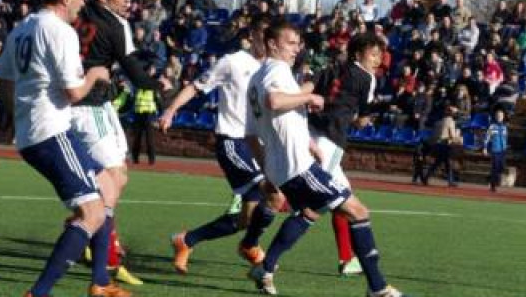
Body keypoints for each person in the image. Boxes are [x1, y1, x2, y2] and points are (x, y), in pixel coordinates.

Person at [0, 0, 128, 297]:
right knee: (92, 212)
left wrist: (20, 116)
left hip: (39, 132)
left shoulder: (23, 28)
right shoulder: (61, 31)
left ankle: (99, 282)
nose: (83, 3)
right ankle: (38, 293)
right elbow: (74, 93)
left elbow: (1, 79)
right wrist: (96, 74)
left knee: (108, 185)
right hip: (51, 133)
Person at [246, 21, 407, 297]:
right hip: (311, 157)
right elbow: (278, 101)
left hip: (290, 155)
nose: (297, 49)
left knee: (310, 212)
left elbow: (259, 125)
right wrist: (313, 99)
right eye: (291, 43)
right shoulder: (279, 69)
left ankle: (266, 266)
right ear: (272, 44)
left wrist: (303, 135)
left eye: (298, 43)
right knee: (356, 211)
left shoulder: (259, 78)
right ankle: (376, 286)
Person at [158, 16, 281, 274]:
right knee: (273, 193)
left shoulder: (274, 69)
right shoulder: (233, 62)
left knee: (245, 218)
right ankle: (250, 246)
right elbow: (196, 86)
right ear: (253, 35)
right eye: (262, 34)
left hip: (259, 146)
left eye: (271, 36)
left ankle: (187, 240)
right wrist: (171, 110)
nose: (267, 42)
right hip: (233, 143)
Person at [70, 0, 170, 286]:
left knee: (119, 177)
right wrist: (158, 84)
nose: (128, 0)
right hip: (91, 106)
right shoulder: (116, 25)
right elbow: (136, 74)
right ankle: (104, 253)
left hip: (88, 104)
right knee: (111, 181)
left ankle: (87, 229)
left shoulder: (73, 16)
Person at [310, 32, 386, 276]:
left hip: (310, 129)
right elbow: (362, 118)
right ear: (358, 53)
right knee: (314, 203)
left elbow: (311, 90)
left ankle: (346, 259)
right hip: (331, 139)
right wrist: (360, 120)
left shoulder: (334, 68)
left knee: (343, 198)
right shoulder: (367, 78)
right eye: (373, 54)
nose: (377, 60)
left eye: (379, 55)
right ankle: (266, 261)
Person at [483, 109, 508, 192]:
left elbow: (505, 138)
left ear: (503, 117)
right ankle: (493, 186)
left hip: (503, 151)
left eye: (501, 116)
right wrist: (485, 148)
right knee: (495, 168)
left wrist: (505, 147)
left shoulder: (504, 127)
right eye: (498, 116)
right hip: (495, 150)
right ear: (495, 117)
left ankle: (490, 179)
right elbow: (487, 138)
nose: (499, 117)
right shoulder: (492, 126)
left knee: (502, 168)